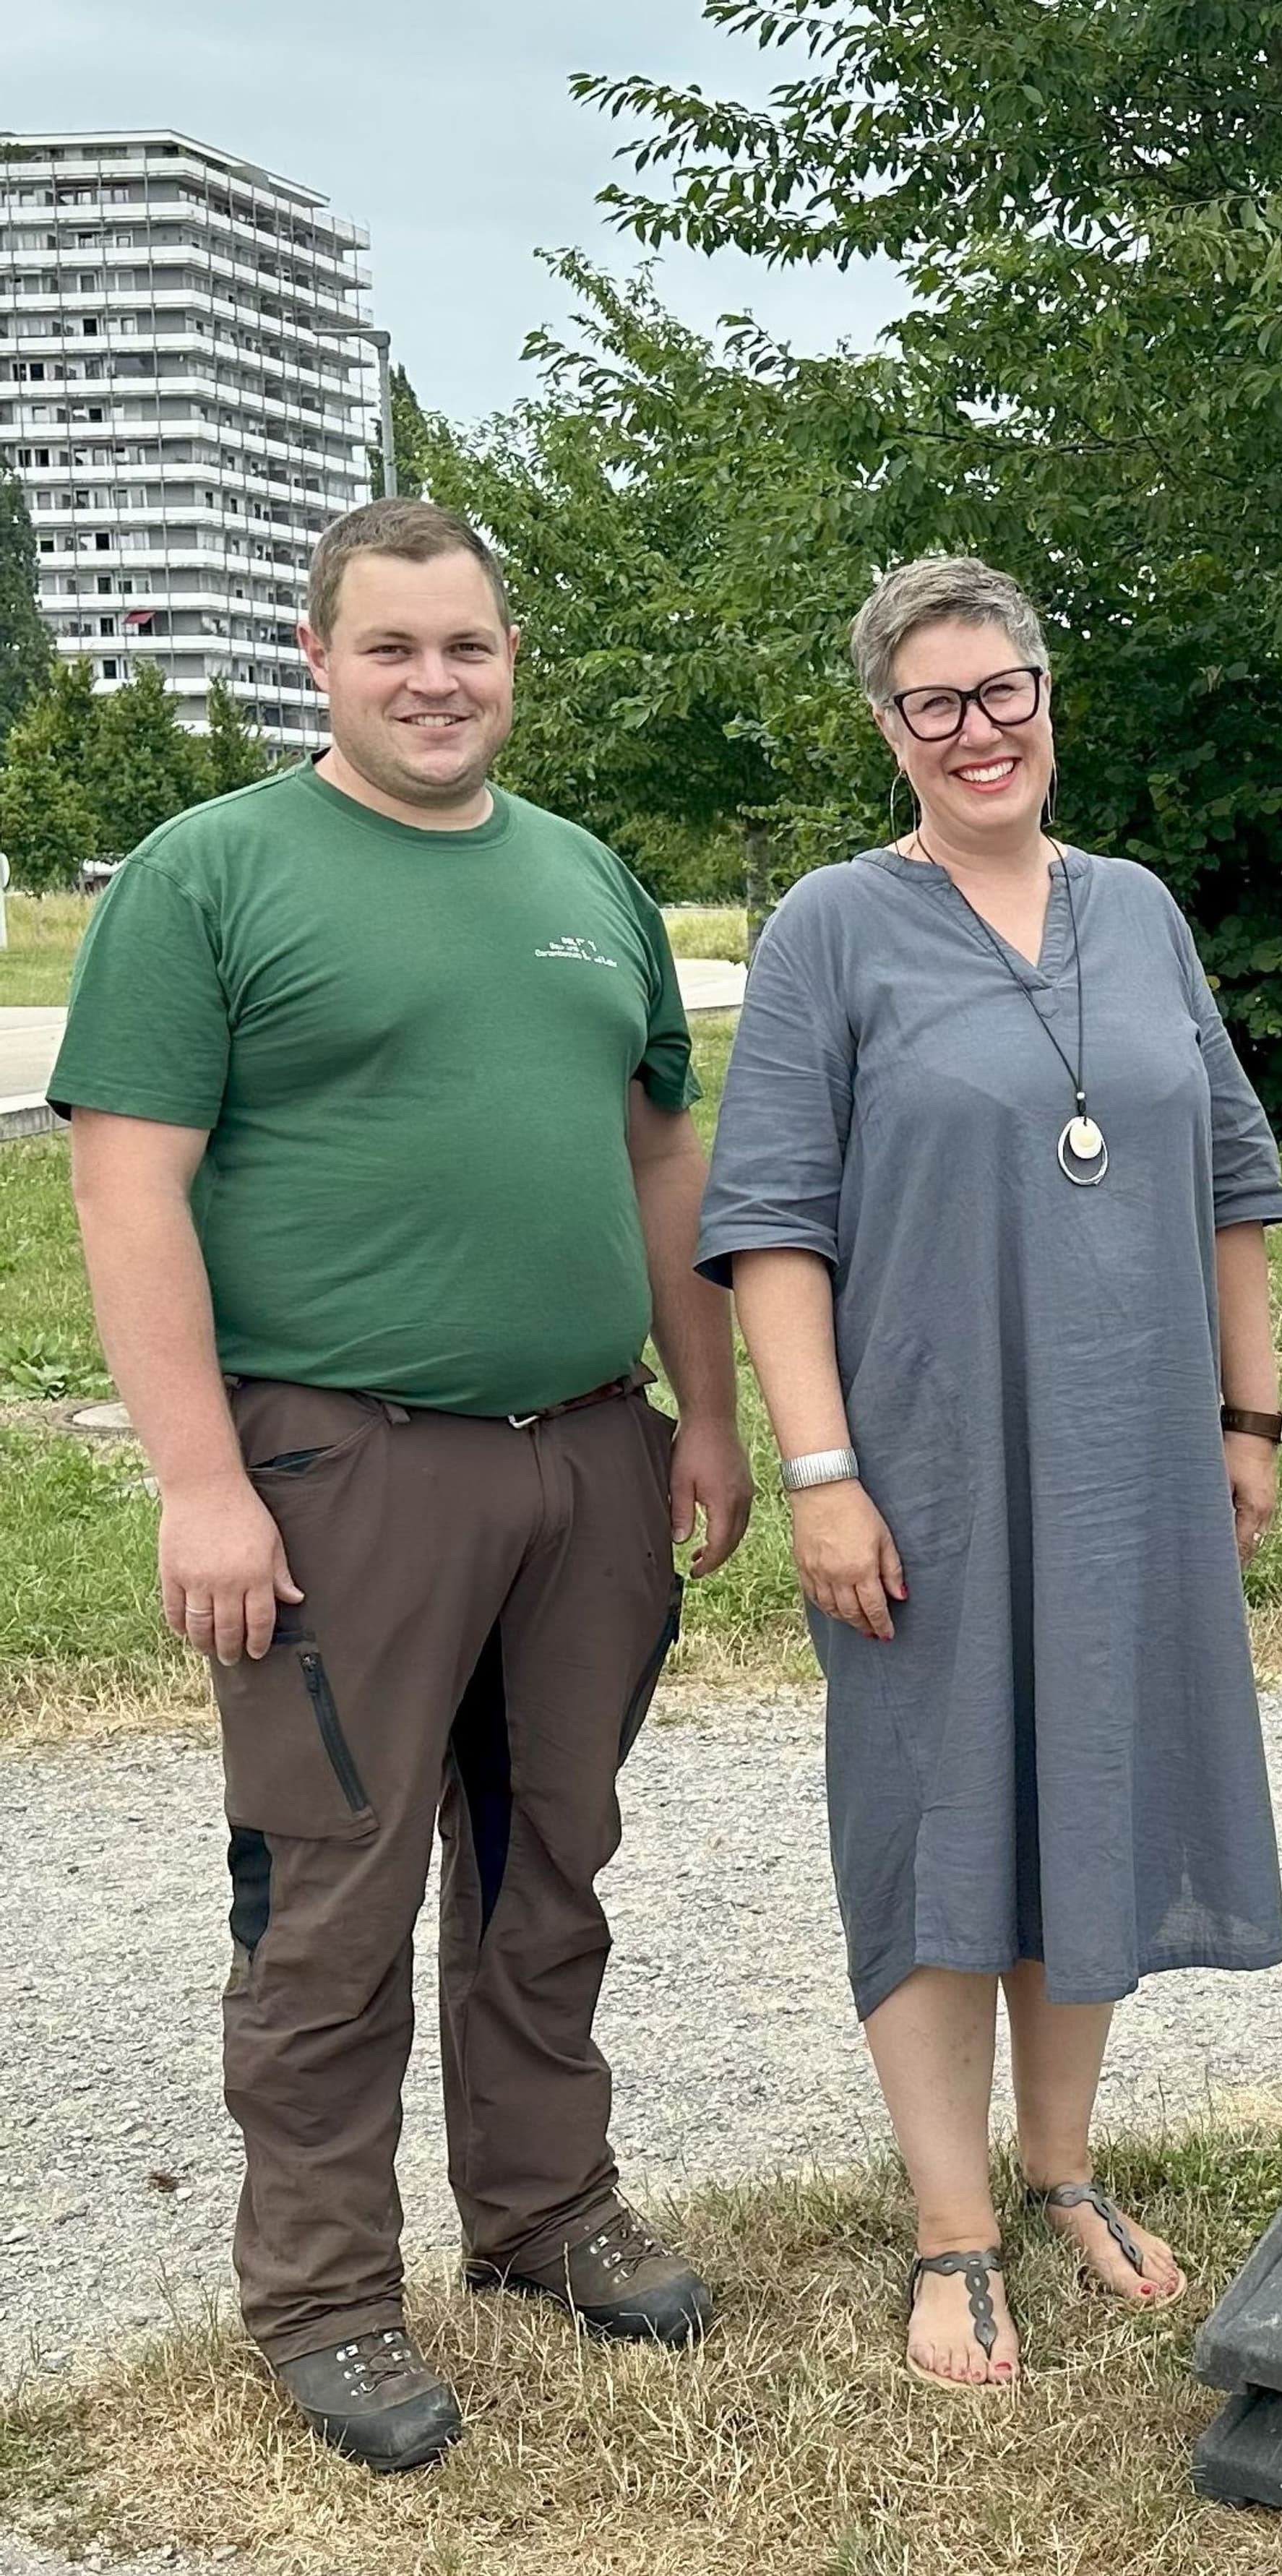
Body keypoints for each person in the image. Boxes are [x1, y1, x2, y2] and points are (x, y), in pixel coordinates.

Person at [54, 499, 754, 2473]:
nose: (438, 681)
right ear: (320, 660)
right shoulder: (211, 875)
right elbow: (128, 1184)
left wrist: (699, 1413)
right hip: (338, 1464)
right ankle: (326, 2295)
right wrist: (201, 1479)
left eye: (470, 646)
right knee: (333, 1895)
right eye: (395, 649)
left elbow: (655, 1164)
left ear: (512, 658)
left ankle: (541, 2208)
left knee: (552, 1863)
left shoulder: (583, 876)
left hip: (583, 1452)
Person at [696, 553, 1282, 2390]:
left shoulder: (1138, 911)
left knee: (1093, 1788)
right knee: (941, 1812)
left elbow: (1232, 1175)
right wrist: (819, 1468)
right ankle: (953, 2232)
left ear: (1050, 695)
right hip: (928, 1463)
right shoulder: (831, 928)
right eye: (934, 702)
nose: (980, 728)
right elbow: (772, 1218)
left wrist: (1248, 1418)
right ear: (889, 728)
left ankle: (1062, 2173)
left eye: (1004, 687)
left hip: (1135, 1458)